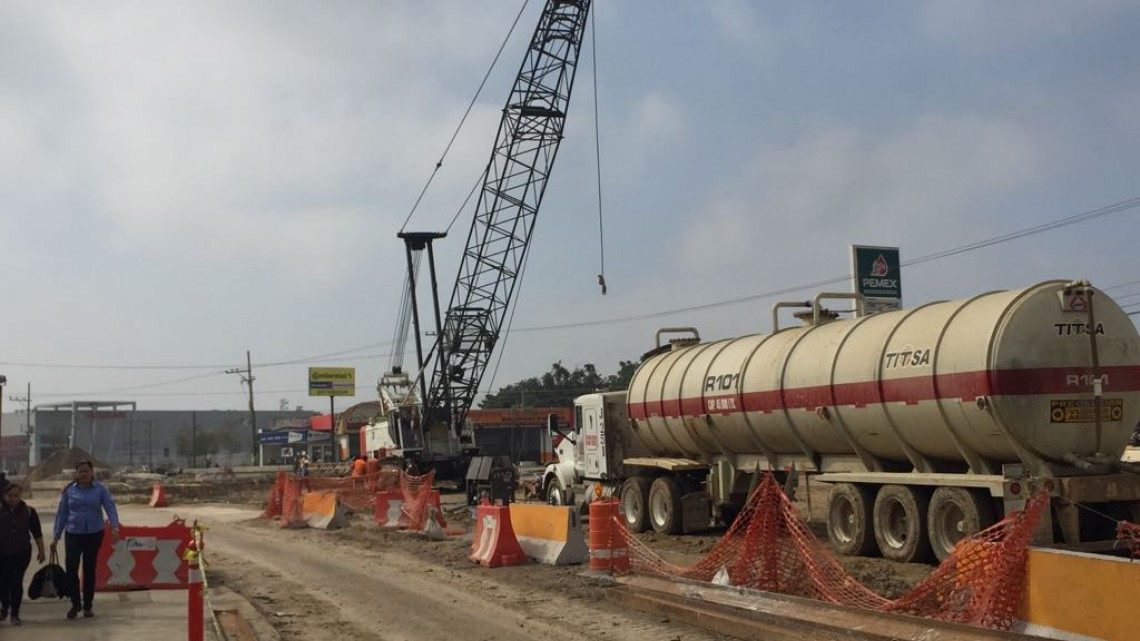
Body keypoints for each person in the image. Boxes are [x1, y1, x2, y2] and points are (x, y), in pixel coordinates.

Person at [51, 460, 120, 620]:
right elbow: (62, 514)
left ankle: (88, 605)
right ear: (76, 473)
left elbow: (110, 507)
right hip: (73, 533)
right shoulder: (69, 491)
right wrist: (56, 536)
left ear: (91, 472)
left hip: (94, 534)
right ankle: (75, 603)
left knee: (89, 569)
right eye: (80, 471)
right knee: (71, 568)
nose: (83, 474)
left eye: (86, 471)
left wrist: (115, 527)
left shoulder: (100, 489)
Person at [0, 484, 45, 626]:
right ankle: (4, 607)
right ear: (4, 496)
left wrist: (41, 550)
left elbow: (37, 533)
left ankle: (15, 614)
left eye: (16, 496)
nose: (13, 499)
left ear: (20, 496)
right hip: (2, 553)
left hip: (21, 553)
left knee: (16, 581)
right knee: (3, 582)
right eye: (10, 496)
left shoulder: (29, 512)